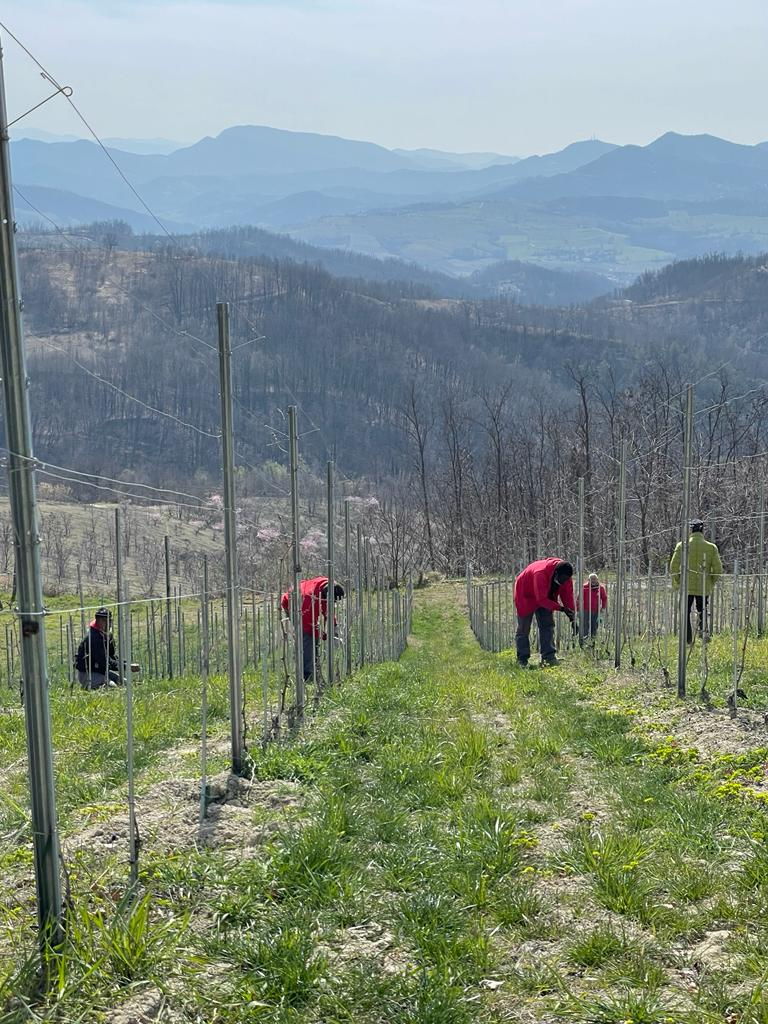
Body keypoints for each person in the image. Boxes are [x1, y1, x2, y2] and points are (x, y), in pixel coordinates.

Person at [280, 577, 345, 681]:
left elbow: (328, 610)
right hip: (292, 604)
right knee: (308, 639)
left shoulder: (327, 584)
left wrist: (334, 628)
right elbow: (308, 625)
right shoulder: (309, 601)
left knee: (314, 639)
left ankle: (315, 667)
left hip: (310, 600)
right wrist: (323, 635)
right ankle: (307, 675)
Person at [514, 558, 576, 667]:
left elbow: (568, 596)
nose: (564, 582)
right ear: (556, 573)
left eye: (566, 580)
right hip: (525, 594)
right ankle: (522, 659)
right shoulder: (540, 573)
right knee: (523, 628)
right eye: (562, 579)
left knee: (547, 624)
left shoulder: (566, 576)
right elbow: (541, 600)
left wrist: (571, 614)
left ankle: (548, 657)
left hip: (546, 595)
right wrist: (561, 609)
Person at [670, 518, 723, 643]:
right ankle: (703, 636)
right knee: (702, 611)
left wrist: (678, 580)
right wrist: (711, 581)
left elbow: (673, 566)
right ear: (702, 530)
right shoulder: (711, 547)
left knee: (685, 612)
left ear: (690, 530)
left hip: (685, 586)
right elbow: (718, 569)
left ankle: (687, 639)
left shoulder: (681, 546)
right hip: (703, 586)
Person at [75, 607, 121, 690]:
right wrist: (124, 666)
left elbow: (112, 656)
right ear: (98, 621)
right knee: (112, 687)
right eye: (104, 621)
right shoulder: (94, 638)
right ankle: (88, 687)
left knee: (123, 682)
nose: (108, 624)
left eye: (109, 620)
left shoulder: (106, 635)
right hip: (88, 673)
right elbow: (105, 662)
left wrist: (125, 664)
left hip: (101, 671)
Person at [580, 572, 607, 643]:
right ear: (588, 580)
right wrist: (578, 609)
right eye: (591, 579)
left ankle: (593, 640)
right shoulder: (584, 587)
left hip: (596, 610)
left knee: (594, 625)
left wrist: (603, 607)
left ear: (597, 579)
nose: (593, 580)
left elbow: (604, 598)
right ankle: (584, 640)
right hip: (585, 609)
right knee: (585, 625)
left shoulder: (600, 588)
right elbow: (579, 598)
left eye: (595, 579)